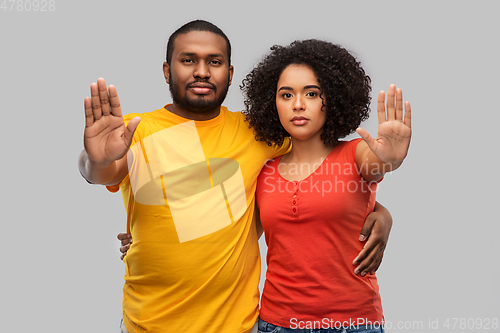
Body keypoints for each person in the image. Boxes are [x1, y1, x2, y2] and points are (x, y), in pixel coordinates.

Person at [79, 20, 393, 333]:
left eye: (214, 62)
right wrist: (96, 158)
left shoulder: (257, 133)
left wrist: (378, 210)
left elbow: (320, 164)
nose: (202, 71)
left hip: (238, 325)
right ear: (166, 70)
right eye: (188, 60)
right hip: (146, 325)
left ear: (229, 74)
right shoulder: (135, 130)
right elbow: (99, 172)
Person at [240, 39, 412, 332]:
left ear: (331, 98)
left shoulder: (355, 154)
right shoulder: (263, 171)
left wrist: (390, 159)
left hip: (353, 323)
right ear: (273, 103)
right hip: (277, 323)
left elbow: (376, 166)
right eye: (286, 94)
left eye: (311, 93)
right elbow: (236, 237)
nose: (298, 105)